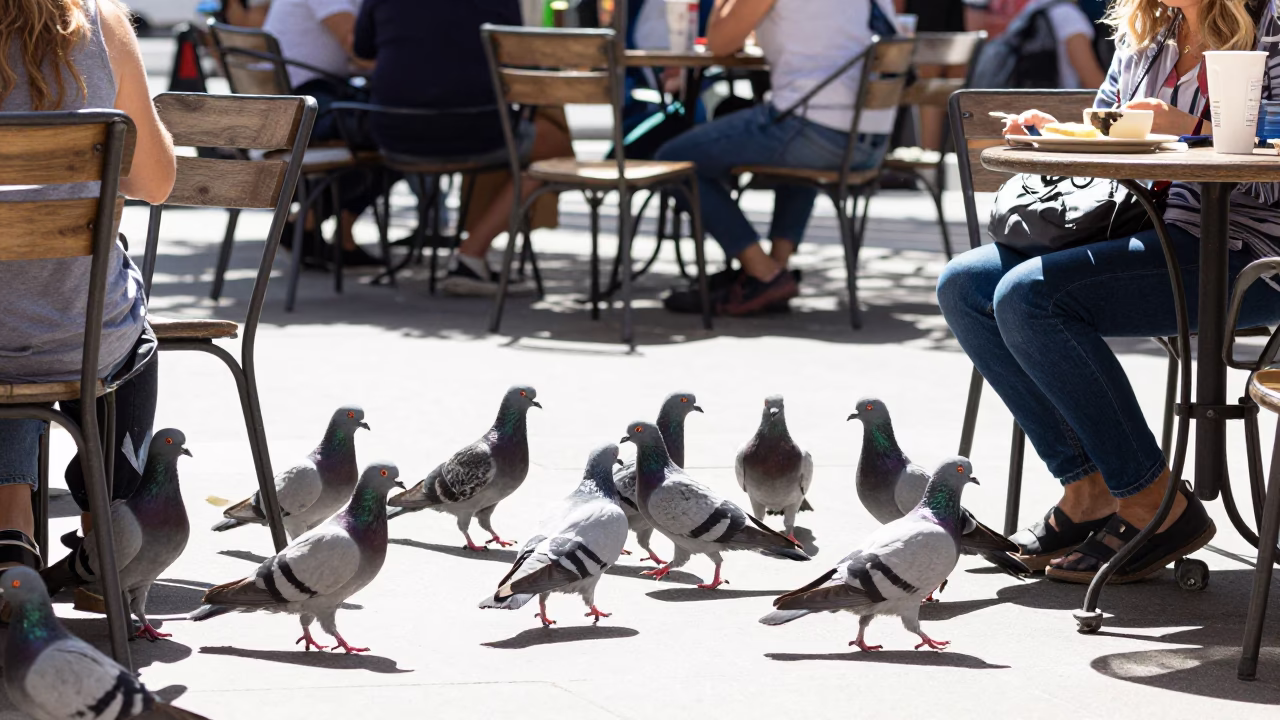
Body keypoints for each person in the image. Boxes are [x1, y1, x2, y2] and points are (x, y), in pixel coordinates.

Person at [936, 0, 1280, 582]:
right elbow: (1109, 141)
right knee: (966, 284)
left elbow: (1269, 175)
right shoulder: (1151, 29)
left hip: (1249, 253)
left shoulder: (1270, 26)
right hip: (1148, 233)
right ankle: (1089, 485)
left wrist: (1193, 130)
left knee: (1032, 297)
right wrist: (1055, 134)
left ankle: (1154, 502)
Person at [0, 0, 175, 569]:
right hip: (85, 337)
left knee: (13, 324)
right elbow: (155, 181)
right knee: (108, 319)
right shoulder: (104, 25)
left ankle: (11, 524)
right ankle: (108, 536)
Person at [656, 0, 898, 316]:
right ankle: (775, 269)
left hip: (816, 129)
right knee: (791, 131)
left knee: (675, 160)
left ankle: (763, 272)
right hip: (871, 137)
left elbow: (720, 43)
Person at [352, 0, 575, 296]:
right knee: (552, 146)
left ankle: (472, 251)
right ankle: (472, 254)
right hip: (477, 130)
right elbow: (514, 53)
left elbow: (362, 51)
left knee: (511, 133)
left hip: (395, 133)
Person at [263, 0, 381, 265]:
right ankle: (316, 225)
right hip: (301, 106)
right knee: (398, 133)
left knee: (392, 133)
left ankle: (310, 223)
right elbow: (359, 50)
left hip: (301, 100)